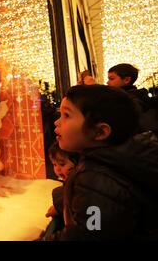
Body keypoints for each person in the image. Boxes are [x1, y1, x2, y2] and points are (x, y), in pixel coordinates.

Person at [49, 84, 158, 240]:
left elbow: (88, 234)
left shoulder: (95, 178)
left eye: (66, 115)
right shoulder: (117, 160)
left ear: (100, 132)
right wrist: (63, 202)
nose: (57, 122)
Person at [107, 63, 158, 135]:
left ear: (126, 80)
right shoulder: (136, 96)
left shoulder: (128, 98)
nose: (107, 82)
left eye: (111, 79)